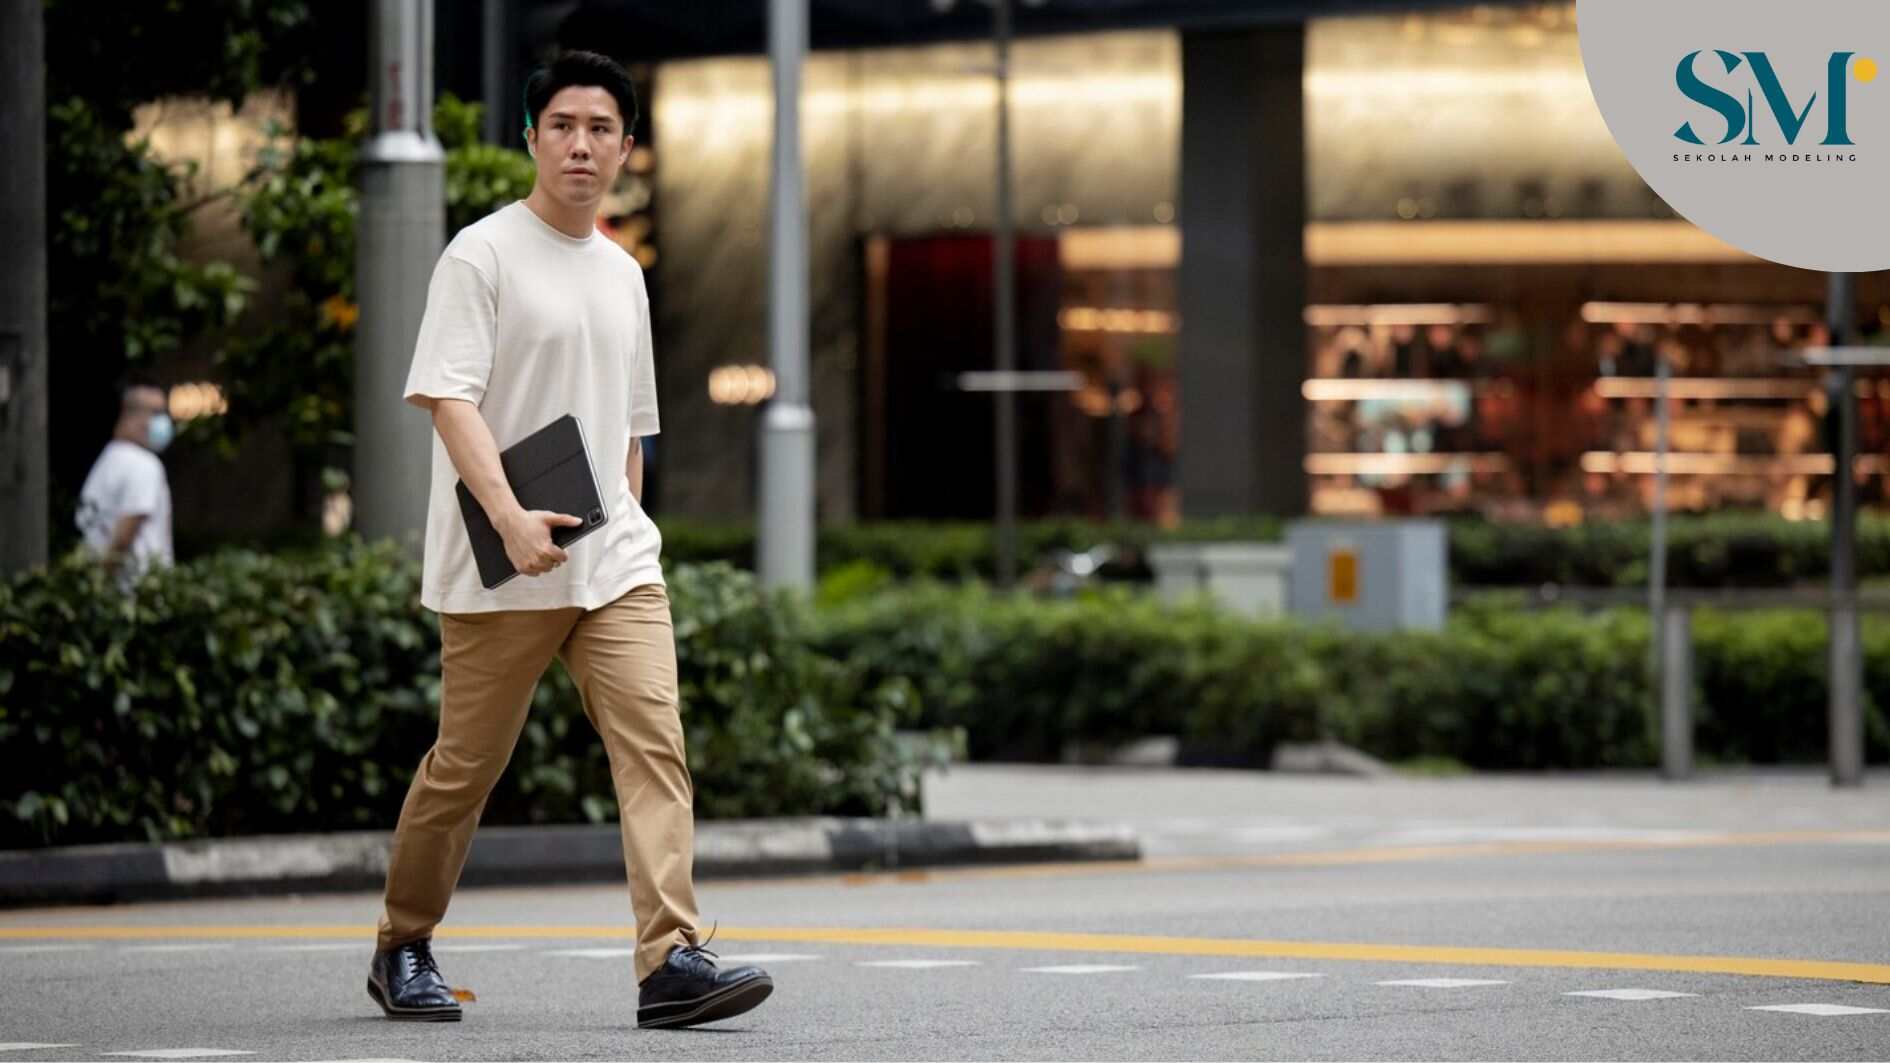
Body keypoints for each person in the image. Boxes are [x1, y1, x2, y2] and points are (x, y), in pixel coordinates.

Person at [367, 51, 772, 1030]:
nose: (581, 144)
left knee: (655, 747)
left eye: (600, 129)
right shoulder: (481, 255)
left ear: (626, 148)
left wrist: (629, 526)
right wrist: (511, 517)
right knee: (465, 767)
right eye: (562, 126)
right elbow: (449, 400)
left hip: (613, 564)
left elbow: (630, 428)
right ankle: (402, 942)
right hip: (502, 561)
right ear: (532, 139)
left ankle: (671, 958)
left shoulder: (624, 274)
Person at [75, 378, 175, 585]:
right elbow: (125, 534)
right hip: (139, 591)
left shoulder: (106, 460)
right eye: (156, 413)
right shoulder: (144, 464)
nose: (163, 421)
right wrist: (102, 582)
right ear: (132, 416)